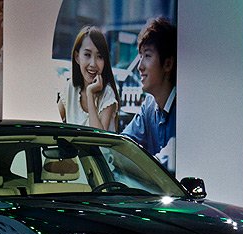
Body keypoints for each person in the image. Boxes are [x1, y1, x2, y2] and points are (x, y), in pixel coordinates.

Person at [122, 17, 176, 175]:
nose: (140, 66)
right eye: (140, 56)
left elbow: (163, 167)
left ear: (168, 64)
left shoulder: (184, 109)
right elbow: (124, 146)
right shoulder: (149, 105)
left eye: (147, 55)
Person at [58, 26, 119, 132]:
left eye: (99, 56)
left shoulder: (107, 94)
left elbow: (98, 138)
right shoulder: (70, 88)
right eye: (87, 55)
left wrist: (90, 93)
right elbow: (52, 121)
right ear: (77, 57)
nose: (93, 64)